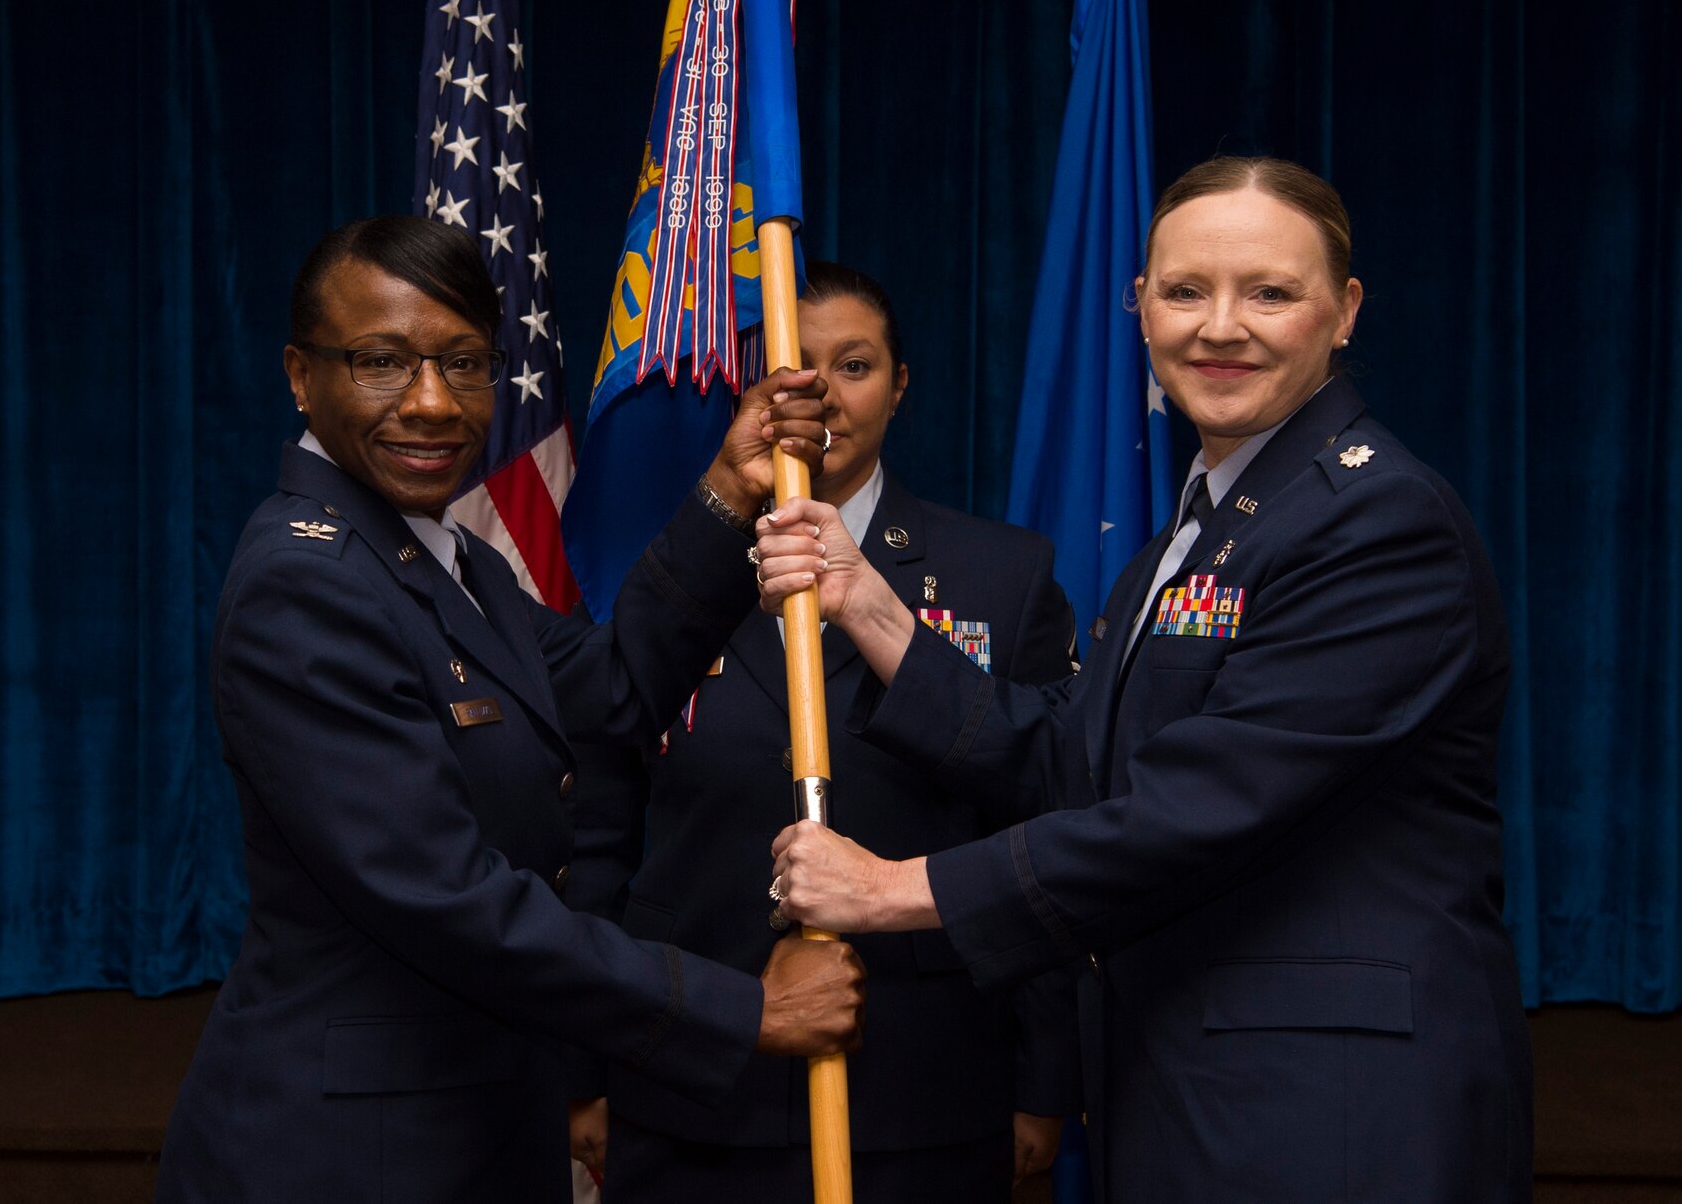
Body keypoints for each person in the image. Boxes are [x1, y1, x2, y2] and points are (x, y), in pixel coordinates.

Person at [755, 158, 1534, 1203]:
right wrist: (867, 604)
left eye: (1267, 291)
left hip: (1330, 1113)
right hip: (1189, 1086)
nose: (1219, 326)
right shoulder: (1195, 536)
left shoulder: (1375, 519)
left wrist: (893, 888)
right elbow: (1076, 763)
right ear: (1138, 309)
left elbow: (1199, 806)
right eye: (1183, 290)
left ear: (1341, 312)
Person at [155, 215, 865, 1204]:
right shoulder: (305, 583)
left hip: (470, 1127)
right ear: (298, 375)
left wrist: (726, 486)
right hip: (348, 1157)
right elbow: (449, 898)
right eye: (381, 361)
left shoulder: (452, 563)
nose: (434, 403)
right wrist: (742, 1006)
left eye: (465, 363)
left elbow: (611, 688)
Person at [563, 262, 1080, 1203]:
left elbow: (1039, 824)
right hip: (692, 1067)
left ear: (901, 384)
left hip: (922, 1074)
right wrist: (585, 1065)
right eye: (795, 366)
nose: (823, 395)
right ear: (753, 384)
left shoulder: (1003, 572)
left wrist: (1043, 1074)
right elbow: (602, 824)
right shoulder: (682, 562)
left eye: (855, 365)